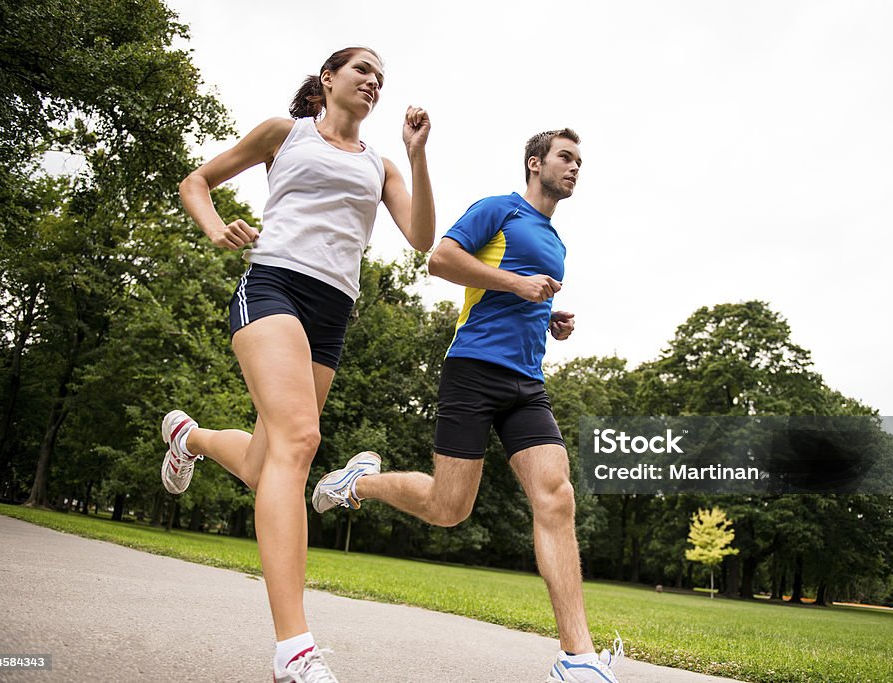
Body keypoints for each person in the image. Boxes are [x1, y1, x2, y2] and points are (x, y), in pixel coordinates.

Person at [159, 46, 434, 683]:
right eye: (361, 69)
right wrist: (213, 226)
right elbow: (195, 182)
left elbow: (421, 237)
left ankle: (189, 437)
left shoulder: (381, 163)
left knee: (266, 465)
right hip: (274, 285)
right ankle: (294, 650)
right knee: (300, 441)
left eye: (381, 77)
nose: (373, 80)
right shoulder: (286, 135)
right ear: (329, 78)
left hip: (333, 312)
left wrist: (417, 157)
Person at [313, 128, 625, 683]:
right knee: (448, 508)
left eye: (581, 161)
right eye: (566, 157)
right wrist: (515, 285)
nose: (576, 167)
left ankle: (576, 657)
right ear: (535, 163)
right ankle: (358, 482)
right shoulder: (497, 209)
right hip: (474, 371)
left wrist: (548, 318)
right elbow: (440, 260)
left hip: (527, 383)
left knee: (556, 497)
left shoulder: (556, 240)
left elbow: (521, 294)